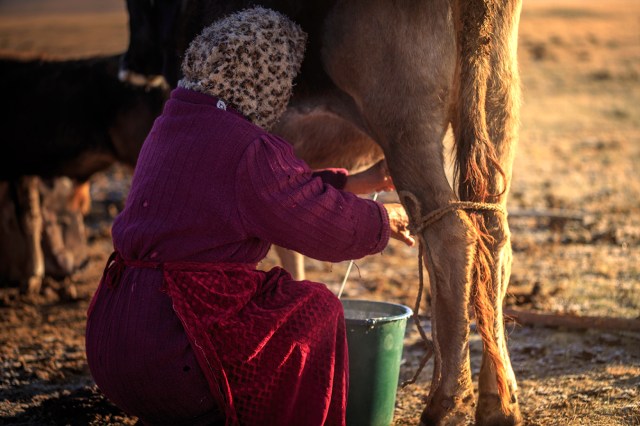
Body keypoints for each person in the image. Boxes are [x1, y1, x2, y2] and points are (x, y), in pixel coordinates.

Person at [85, 7, 414, 426]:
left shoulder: (175, 122)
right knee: (316, 308)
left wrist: (356, 183)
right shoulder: (247, 148)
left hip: (115, 339)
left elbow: (264, 194)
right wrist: (381, 222)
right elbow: (309, 217)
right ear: (267, 80)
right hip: (176, 349)